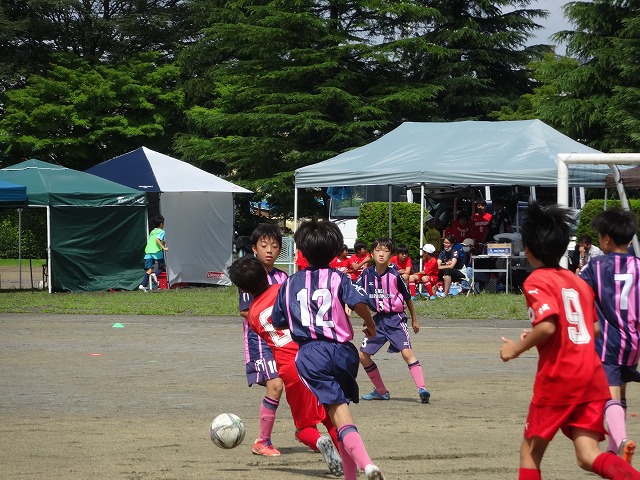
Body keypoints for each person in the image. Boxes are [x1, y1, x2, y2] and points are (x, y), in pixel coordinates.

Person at [500, 202, 640, 480]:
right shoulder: (576, 281)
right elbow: (594, 328)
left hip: (559, 377)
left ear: (527, 249)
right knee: (588, 455)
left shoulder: (536, 281)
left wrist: (515, 348)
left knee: (530, 452)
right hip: (591, 376)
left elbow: (547, 326)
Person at [271, 218, 386, 480]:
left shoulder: (289, 283)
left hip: (311, 354)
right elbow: (358, 303)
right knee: (339, 414)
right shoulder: (338, 278)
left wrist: (302, 321)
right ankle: (352, 475)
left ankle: (367, 464)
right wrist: (370, 325)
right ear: (335, 252)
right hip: (343, 352)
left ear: (301, 251)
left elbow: (278, 321)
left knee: (339, 414)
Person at [228, 255, 343, 476]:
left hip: (291, 369)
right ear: (265, 274)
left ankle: (319, 442)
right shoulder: (285, 289)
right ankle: (349, 460)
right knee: (330, 416)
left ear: (243, 289)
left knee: (303, 428)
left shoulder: (253, 315)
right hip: (314, 357)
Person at [580, 208, 640, 464]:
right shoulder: (639, 267)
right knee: (621, 393)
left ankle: (622, 441)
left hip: (608, 341)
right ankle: (615, 450)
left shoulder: (596, 266)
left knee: (609, 395)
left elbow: (577, 290)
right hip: (633, 341)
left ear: (605, 239)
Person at [356, 237, 430, 405]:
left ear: (391, 255)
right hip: (377, 321)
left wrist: (414, 319)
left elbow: (407, 298)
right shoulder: (366, 274)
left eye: (386, 251)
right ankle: (381, 391)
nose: (381, 254)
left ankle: (422, 389)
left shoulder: (395, 275)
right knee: (363, 355)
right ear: (372, 253)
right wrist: (356, 311)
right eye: (378, 250)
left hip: (396, 319)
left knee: (407, 353)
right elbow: (355, 292)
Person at [238, 223, 288, 457]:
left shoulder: (283, 277)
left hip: (283, 339)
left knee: (296, 382)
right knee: (275, 385)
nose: (269, 250)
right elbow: (245, 311)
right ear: (254, 248)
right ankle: (262, 441)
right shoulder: (250, 274)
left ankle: (307, 429)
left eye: (274, 246)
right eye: (264, 245)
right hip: (260, 340)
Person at [139, 215, 168, 292]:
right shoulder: (162, 231)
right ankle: (154, 275)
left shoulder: (152, 231)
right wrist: (163, 247)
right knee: (163, 266)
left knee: (149, 270)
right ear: (161, 224)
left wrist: (162, 242)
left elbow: (153, 241)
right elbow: (157, 239)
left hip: (148, 251)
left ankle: (143, 285)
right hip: (156, 252)